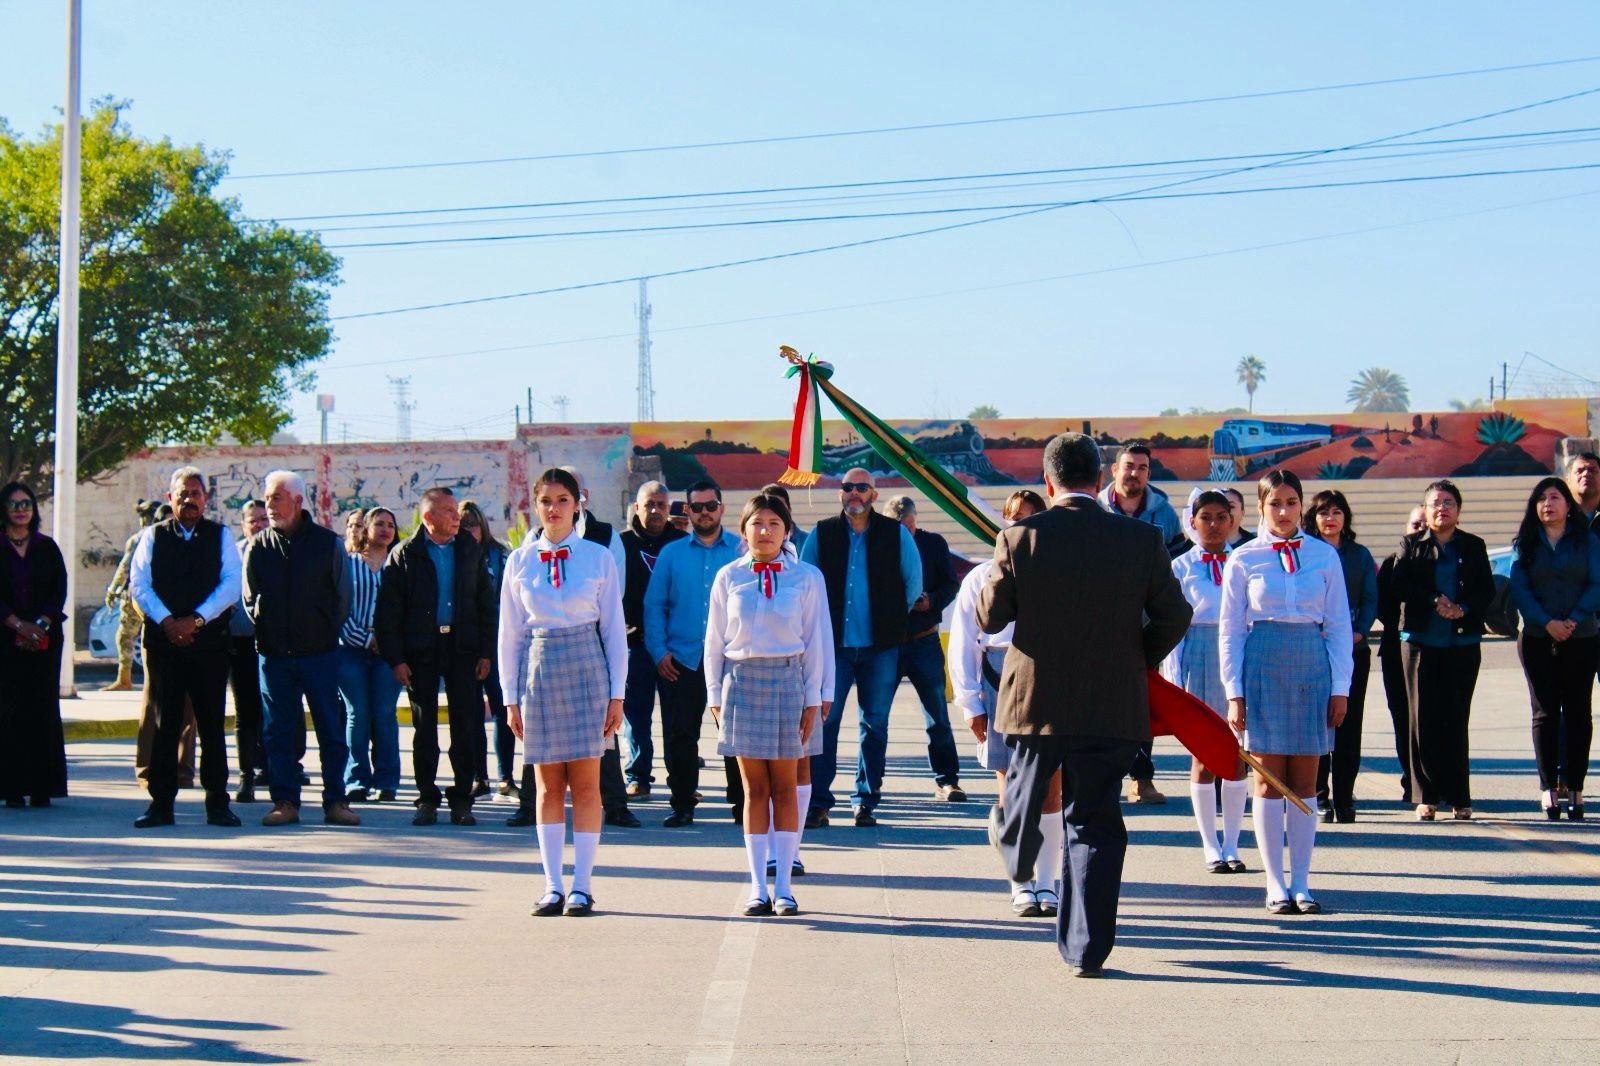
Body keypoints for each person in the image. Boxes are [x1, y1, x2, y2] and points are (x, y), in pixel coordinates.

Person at [980, 434, 1190, 975]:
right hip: (1109, 704)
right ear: (1099, 480)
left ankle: (1014, 848)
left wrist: (1002, 558)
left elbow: (989, 618)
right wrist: (1133, 659)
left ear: (1047, 483)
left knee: (1023, 806)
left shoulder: (1020, 537)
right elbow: (1174, 616)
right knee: (1095, 822)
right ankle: (1086, 948)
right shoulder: (1141, 539)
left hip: (1035, 704)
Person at [1220, 469, 1352, 915]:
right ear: (1260, 506)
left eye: (1291, 502)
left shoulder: (1323, 556)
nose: (1283, 511)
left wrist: (1340, 688)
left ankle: (1302, 882)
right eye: (1274, 503)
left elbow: (1337, 625)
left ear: (1302, 506)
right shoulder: (1243, 558)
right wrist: (1233, 691)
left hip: (1311, 665)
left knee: (1306, 779)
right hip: (1263, 663)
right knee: (1268, 777)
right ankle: (1274, 883)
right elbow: (1231, 631)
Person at [500, 467, 627, 917]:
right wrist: (510, 697)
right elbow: (509, 635)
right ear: (535, 506)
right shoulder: (518, 560)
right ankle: (552, 884)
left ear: (579, 504)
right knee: (547, 785)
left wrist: (617, 694)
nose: (553, 509)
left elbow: (613, 630)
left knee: (587, 784)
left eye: (562, 500)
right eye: (545, 501)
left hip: (587, 666)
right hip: (538, 669)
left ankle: (583, 886)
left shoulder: (598, 557)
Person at [705, 493, 831, 916]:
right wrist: (714, 694)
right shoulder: (728, 577)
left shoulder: (806, 577)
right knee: (753, 790)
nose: (765, 531)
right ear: (743, 531)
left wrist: (814, 696)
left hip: (787, 681)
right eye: (757, 523)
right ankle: (757, 886)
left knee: (785, 788)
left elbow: (817, 640)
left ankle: (784, 887)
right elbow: (714, 642)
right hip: (742, 682)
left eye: (774, 524)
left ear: (787, 531)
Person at [951, 489, 1066, 916]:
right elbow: (965, 644)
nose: (1020, 524)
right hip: (998, 682)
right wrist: (970, 704)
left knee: (1052, 784)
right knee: (1011, 786)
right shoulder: (981, 577)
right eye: (1013, 517)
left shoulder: (1060, 571)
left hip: (1050, 679)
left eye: (1031, 517)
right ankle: (1021, 881)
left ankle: (1049, 882)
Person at [799, 468, 923, 828]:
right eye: (848, 487)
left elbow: (912, 584)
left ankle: (865, 800)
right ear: (841, 493)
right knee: (824, 722)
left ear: (874, 492)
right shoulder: (822, 534)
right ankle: (818, 801)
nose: (854, 493)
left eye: (861, 487)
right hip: (832, 647)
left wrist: (889, 620)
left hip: (880, 647)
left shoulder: (896, 534)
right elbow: (805, 586)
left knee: (875, 723)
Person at [125, 468, 243, 828]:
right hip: (164, 646)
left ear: (205, 499)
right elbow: (140, 586)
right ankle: (161, 804)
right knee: (165, 724)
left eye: (195, 493)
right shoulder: (153, 537)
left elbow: (231, 585)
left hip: (207, 645)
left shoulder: (221, 536)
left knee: (210, 724)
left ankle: (217, 803)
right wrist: (168, 623)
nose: (189, 499)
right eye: (182, 493)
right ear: (170, 497)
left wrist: (195, 620)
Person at [243, 470, 359, 828]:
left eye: (277, 498)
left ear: (297, 500)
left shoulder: (327, 544)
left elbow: (343, 597)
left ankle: (336, 801)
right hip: (274, 655)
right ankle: (285, 801)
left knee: (330, 727)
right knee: (278, 731)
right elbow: (250, 600)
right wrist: (268, 626)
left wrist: (322, 631)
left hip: (319, 654)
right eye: (266, 498)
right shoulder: (259, 546)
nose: (270, 505)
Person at [374, 487, 495, 826]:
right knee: (424, 727)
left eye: (456, 510)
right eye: (448, 511)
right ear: (428, 518)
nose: (457, 517)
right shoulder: (404, 555)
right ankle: (427, 797)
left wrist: (486, 651)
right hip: (421, 652)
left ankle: (461, 799)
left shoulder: (470, 550)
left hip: (463, 649)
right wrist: (396, 659)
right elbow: (388, 613)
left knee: (465, 727)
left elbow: (486, 604)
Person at [643, 479, 746, 826]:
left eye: (710, 505)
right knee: (680, 734)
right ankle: (683, 802)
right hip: (681, 660)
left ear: (722, 507)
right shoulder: (671, 553)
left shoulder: (740, 551)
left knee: (733, 735)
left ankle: (742, 804)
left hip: (730, 661)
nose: (704, 512)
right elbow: (654, 606)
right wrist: (659, 652)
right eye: (696, 507)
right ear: (687, 511)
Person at [1390, 480, 1493, 822]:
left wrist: (1462, 608)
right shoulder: (1410, 544)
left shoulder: (1473, 546)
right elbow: (1399, 583)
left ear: (1459, 510)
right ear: (1426, 508)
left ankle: (1459, 796)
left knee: (1455, 719)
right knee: (1422, 720)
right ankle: (1426, 796)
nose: (1441, 508)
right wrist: (1435, 601)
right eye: (1435, 503)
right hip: (1420, 641)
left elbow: (1486, 590)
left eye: (1448, 502)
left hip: (1462, 643)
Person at [1164, 490, 1249, 873]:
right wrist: (1175, 680)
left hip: (1238, 654)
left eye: (1221, 516)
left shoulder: (1246, 560)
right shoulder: (1180, 568)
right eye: (1206, 517)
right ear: (1192, 522)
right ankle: (1210, 844)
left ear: (1232, 520)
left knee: (1237, 754)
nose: (1214, 524)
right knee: (1203, 755)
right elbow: (1173, 630)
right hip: (1198, 655)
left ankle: (1233, 843)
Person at [1509, 477, 1600, 820]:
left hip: (1582, 636)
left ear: (1568, 504)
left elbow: (1597, 583)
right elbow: (1520, 590)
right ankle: (1548, 789)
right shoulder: (1526, 545)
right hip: (1536, 637)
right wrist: (1546, 622)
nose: (1548, 503)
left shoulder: (1587, 541)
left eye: (1555, 497)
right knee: (1545, 712)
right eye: (1542, 498)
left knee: (1578, 712)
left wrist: (1573, 619)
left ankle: (1575, 788)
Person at [1097, 442, 1181, 804]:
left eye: (1142, 467)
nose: (1134, 473)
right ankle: (1105, 778)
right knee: (1098, 704)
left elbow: (1176, 564)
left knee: (1141, 702)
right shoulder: (1095, 508)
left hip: (1144, 625)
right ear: (1114, 469)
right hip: (1099, 621)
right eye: (1128, 466)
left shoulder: (1164, 515)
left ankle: (1142, 778)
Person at [884, 495, 965, 802]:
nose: (905, 533)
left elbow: (950, 584)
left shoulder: (934, 544)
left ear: (915, 520)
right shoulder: (878, 545)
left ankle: (947, 781)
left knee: (938, 717)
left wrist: (931, 600)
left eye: (909, 526)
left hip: (924, 640)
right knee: (875, 719)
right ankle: (870, 785)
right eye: (898, 528)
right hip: (888, 645)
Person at [1305, 490, 1379, 824]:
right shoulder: (1305, 552)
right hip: (1313, 652)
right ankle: (1320, 796)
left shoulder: (1359, 555)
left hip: (1352, 650)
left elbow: (1370, 599)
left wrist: (1358, 632)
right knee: (1318, 724)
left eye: (1336, 512)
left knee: (1348, 725)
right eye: (1323, 512)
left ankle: (1345, 797)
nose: (1330, 518)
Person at [0, 481, 69, 809]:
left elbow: (58, 591)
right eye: (13, 504)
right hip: (4, 640)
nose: (20, 509)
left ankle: (43, 787)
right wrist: (17, 625)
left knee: (42, 710)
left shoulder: (47, 547)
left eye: (25, 503)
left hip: (45, 639)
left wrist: (39, 626)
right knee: (9, 712)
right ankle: (12, 788)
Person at [617, 481, 683, 797]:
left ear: (669, 508)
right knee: (636, 715)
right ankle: (638, 776)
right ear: (636, 507)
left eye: (661, 504)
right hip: (635, 645)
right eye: (649, 504)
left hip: (674, 647)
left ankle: (681, 781)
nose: (655, 510)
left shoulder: (682, 543)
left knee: (676, 718)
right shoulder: (620, 544)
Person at [338, 506, 403, 804]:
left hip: (388, 654)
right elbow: (339, 608)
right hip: (350, 650)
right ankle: (356, 778)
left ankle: (387, 781)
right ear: (365, 528)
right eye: (379, 523)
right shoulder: (348, 564)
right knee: (357, 714)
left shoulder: (400, 565)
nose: (386, 529)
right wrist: (366, 638)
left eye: (391, 524)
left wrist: (386, 642)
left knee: (385, 715)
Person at [460, 500, 517, 798]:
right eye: (463, 524)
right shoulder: (454, 554)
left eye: (473, 523)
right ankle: (478, 777)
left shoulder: (500, 554)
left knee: (502, 709)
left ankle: (505, 777)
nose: (468, 529)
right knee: (471, 714)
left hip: (498, 641)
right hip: (466, 643)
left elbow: (510, 600)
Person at [1376, 506, 1427, 800]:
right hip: (1396, 650)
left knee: (1431, 717)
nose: (1420, 527)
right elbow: (1382, 606)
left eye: (1424, 523)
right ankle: (1411, 778)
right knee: (1402, 717)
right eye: (1415, 523)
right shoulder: (1392, 562)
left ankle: (1434, 778)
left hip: (1431, 648)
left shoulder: (1439, 560)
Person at [230, 499, 270, 802]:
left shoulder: (277, 551)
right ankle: (246, 776)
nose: (258, 525)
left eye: (263, 519)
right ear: (243, 524)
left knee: (277, 710)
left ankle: (277, 769)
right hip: (239, 643)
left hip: (274, 643)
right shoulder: (231, 555)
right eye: (252, 520)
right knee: (246, 712)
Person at [103, 499, 160, 691]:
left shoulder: (138, 538)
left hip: (136, 594)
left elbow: (124, 568)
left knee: (125, 635)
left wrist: (112, 589)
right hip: (161, 597)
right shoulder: (167, 535)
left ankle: (124, 678)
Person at [1568, 452, 1599, 532]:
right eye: (1580, 471)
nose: (1586, 474)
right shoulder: (1558, 516)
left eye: (1592, 470)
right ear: (1568, 481)